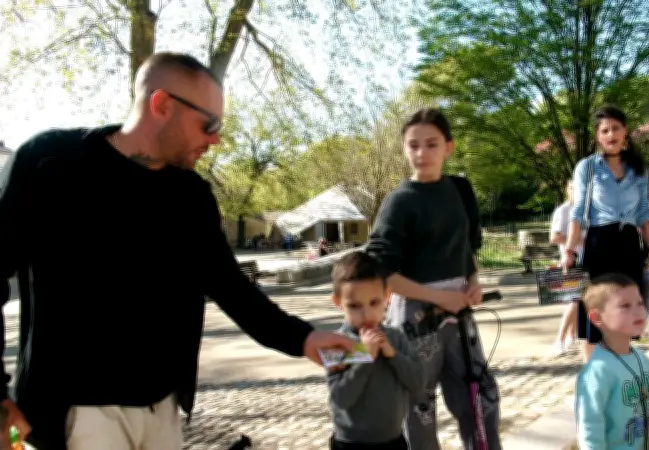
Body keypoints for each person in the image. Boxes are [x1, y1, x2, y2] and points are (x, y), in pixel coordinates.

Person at [0, 52, 353, 450]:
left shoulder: (192, 196)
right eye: (209, 124)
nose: (216, 139)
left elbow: (231, 287)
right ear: (162, 104)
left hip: (163, 411)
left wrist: (303, 338)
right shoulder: (48, 163)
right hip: (77, 413)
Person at [366, 108, 501, 450]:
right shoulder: (399, 202)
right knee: (419, 408)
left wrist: (474, 281)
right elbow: (381, 273)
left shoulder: (461, 189)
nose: (422, 153)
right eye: (413, 145)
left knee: (480, 396)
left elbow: (470, 245)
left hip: (460, 312)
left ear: (448, 147)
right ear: (403, 149)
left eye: (431, 144)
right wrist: (439, 297)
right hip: (415, 317)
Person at [562, 105, 649, 363]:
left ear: (625, 131)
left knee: (626, 310)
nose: (611, 135)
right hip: (599, 244)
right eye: (605, 130)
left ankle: (620, 369)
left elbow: (644, 212)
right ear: (598, 136)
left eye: (615, 128)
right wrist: (570, 250)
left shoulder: (638, 169)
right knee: (594, 310)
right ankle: (592, 372)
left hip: (629, 244)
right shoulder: (587, 167)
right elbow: (578, 212)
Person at [575, 274, 649, 449]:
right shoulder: (597, 372)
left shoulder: (641, 358)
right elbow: (590, 428)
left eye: (640, 303)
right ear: (597, 318)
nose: (638, 311)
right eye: (625, 306)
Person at [325, 252, 425, 450]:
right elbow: (341, 399)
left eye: (374, 302)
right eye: (354, 306)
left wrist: (393, 355)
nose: (366, 314)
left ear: (387, 297)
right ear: (338, 302)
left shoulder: (396, 338)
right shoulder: (336, 344)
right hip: (350, 443)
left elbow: (417, 384)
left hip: (392, 440)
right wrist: (364, 356)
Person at [549, 179, 582, 356]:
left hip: (586, 259)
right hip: (572, 259)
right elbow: (554, 237)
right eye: (573, 188)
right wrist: (576, 240)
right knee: (574, 301)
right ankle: (560, 339)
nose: (577, 191)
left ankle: (572, 336)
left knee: (579, 301)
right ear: (567, 189)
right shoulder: (564, 211)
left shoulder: (585, 209)